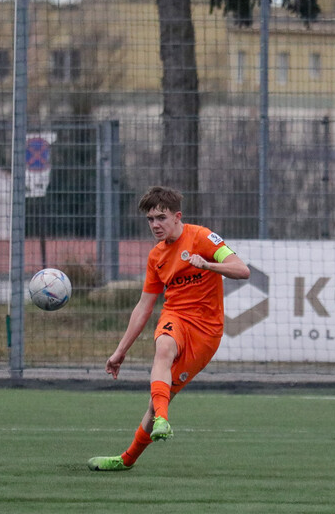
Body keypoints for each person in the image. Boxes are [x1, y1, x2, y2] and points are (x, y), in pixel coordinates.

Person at [89, 185, 250, 472]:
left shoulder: (202, 237)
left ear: (177, 217)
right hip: (175, 316)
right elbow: (143, 307)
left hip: (206, 331)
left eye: (161, 218)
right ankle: (163, 420)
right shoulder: (156, 257)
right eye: (150, 219)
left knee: (155, 404)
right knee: (163, 345)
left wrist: (210, 265)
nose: (155, 225)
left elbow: (242, 270)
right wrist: (119, 351)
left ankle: (127, 458)